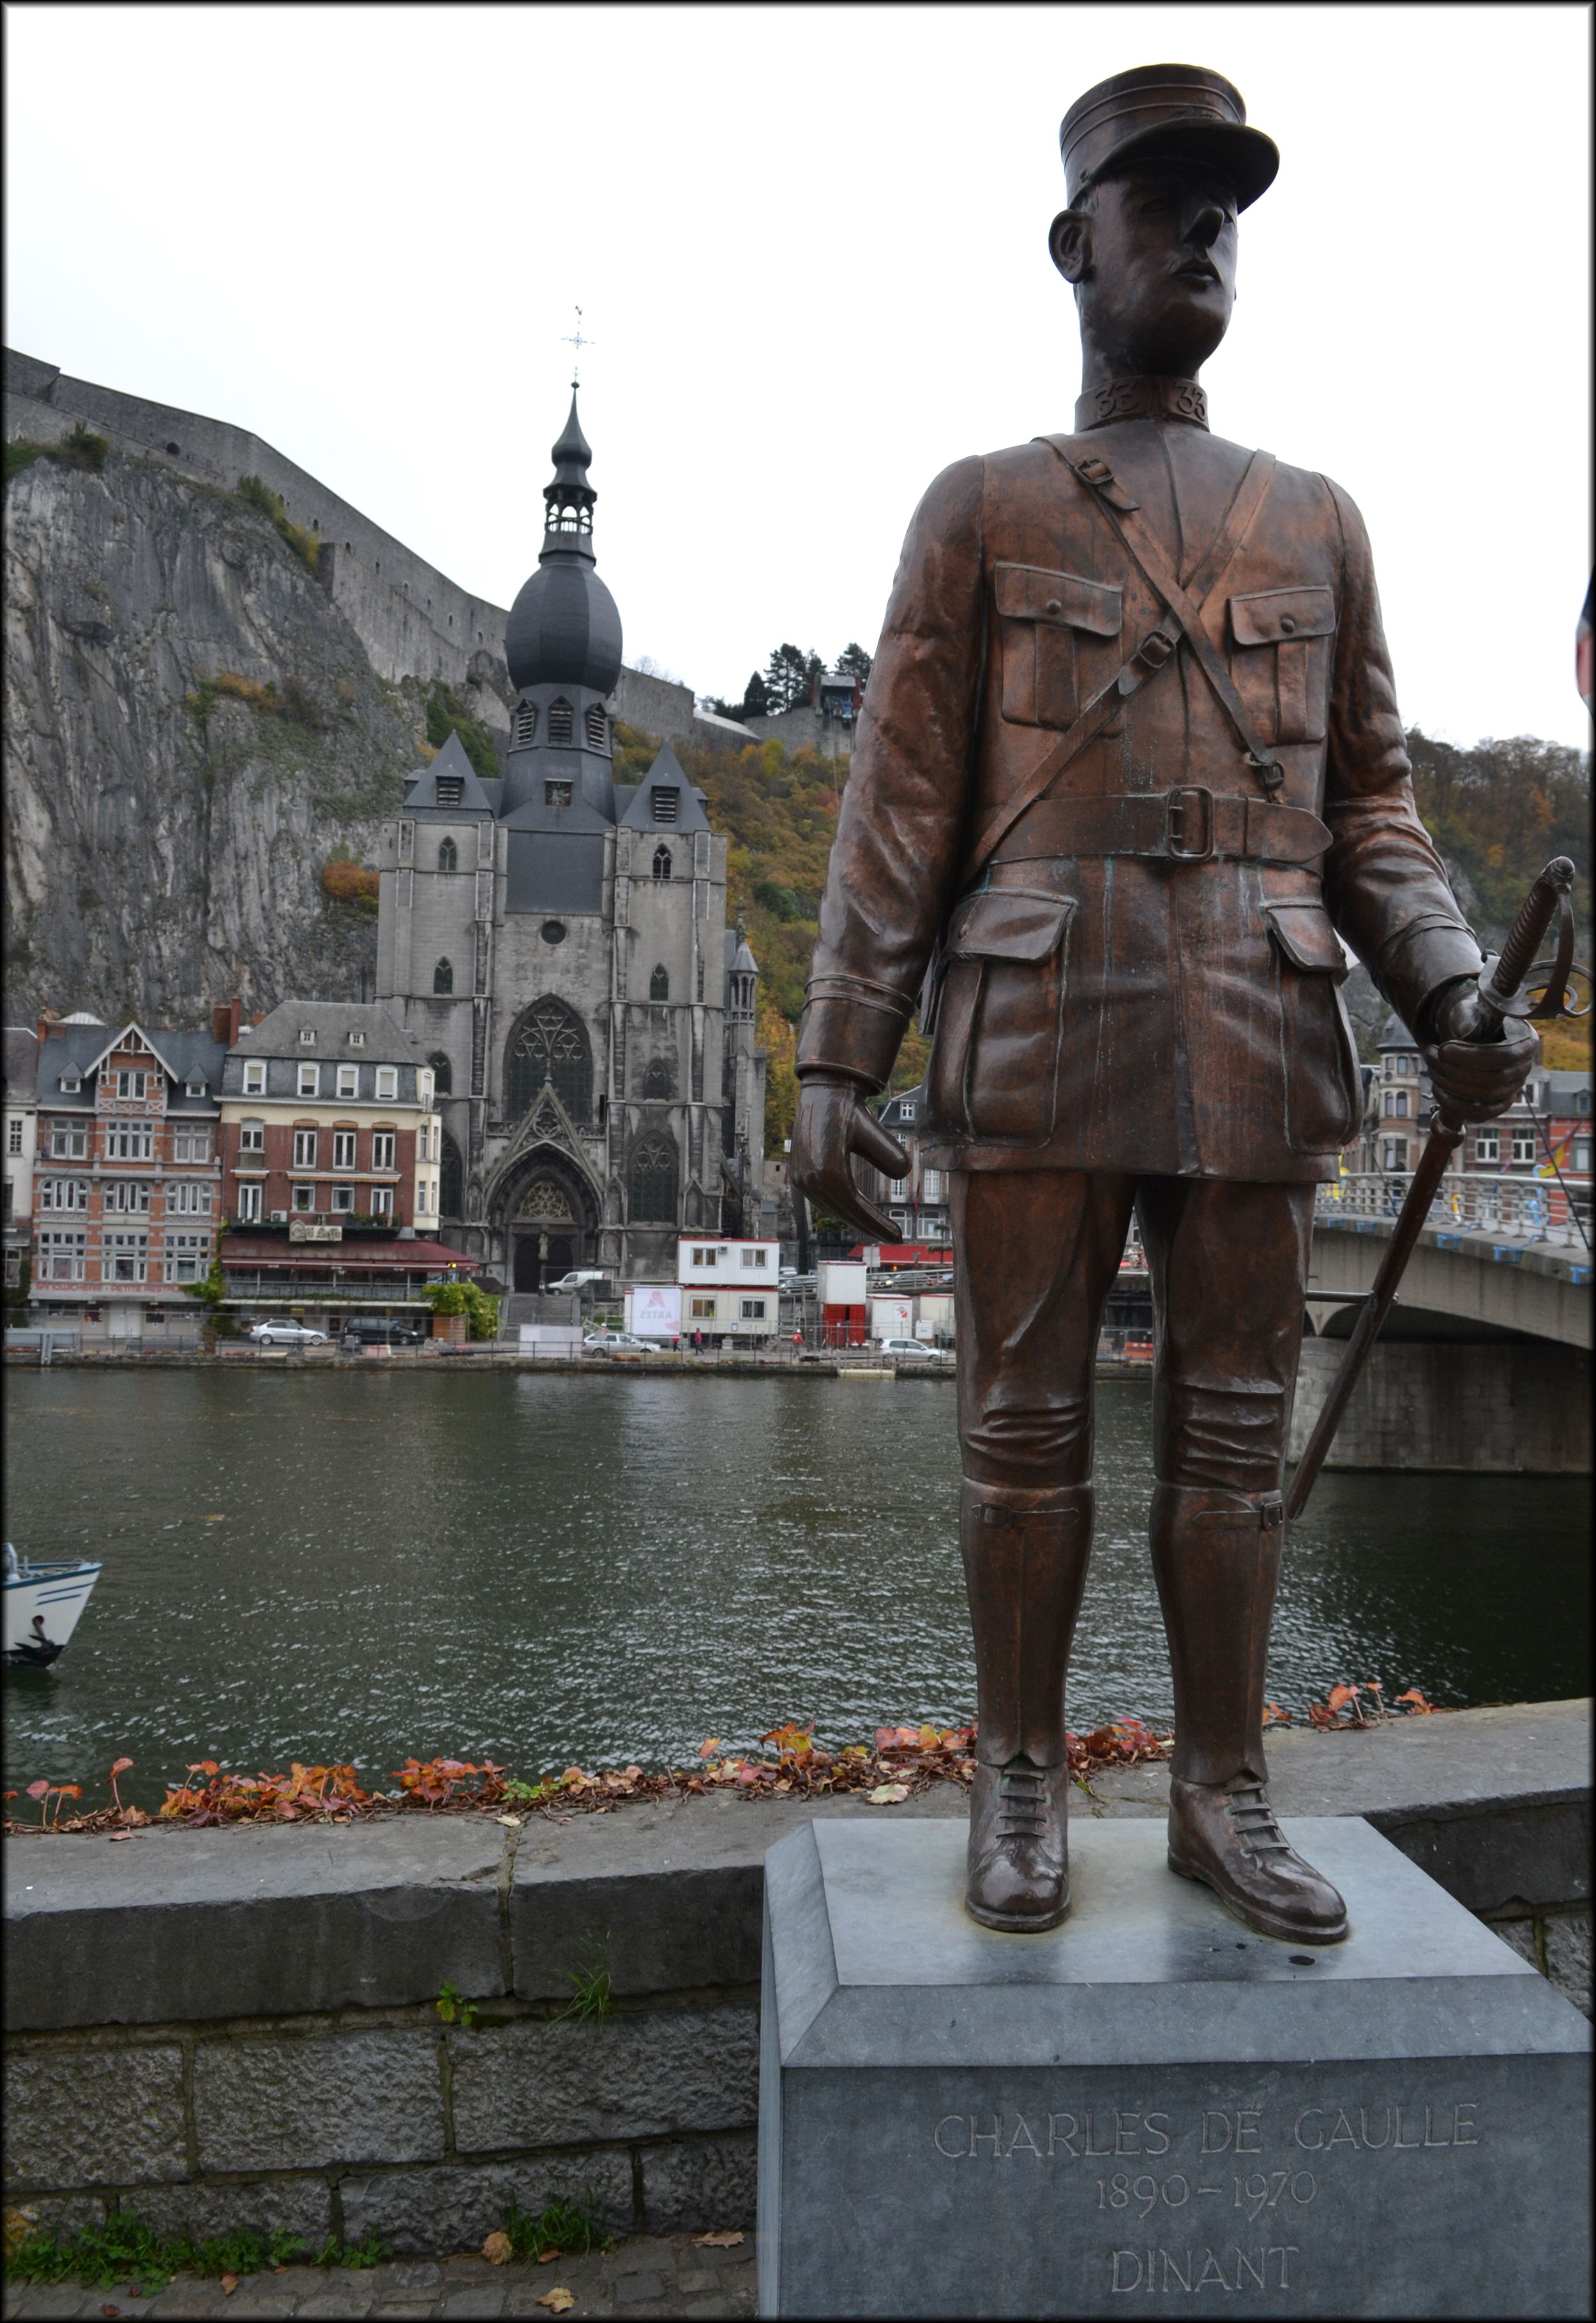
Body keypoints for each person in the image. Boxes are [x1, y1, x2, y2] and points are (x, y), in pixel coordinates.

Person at [790, 64, 1534, 1943]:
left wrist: (1445, 984)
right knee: (1016, 1433)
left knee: (1228, 1440)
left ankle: (1221, 1788)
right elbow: (898, 805)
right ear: (1075, 243)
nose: (1202, 232)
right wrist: (832, 1060)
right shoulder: (975, 509)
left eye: (1224, 208)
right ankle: (1020, 1770)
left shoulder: (1318, 521)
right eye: (1162, 200)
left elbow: (1369, 809)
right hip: (1040, 1024)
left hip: (1259, 1035)